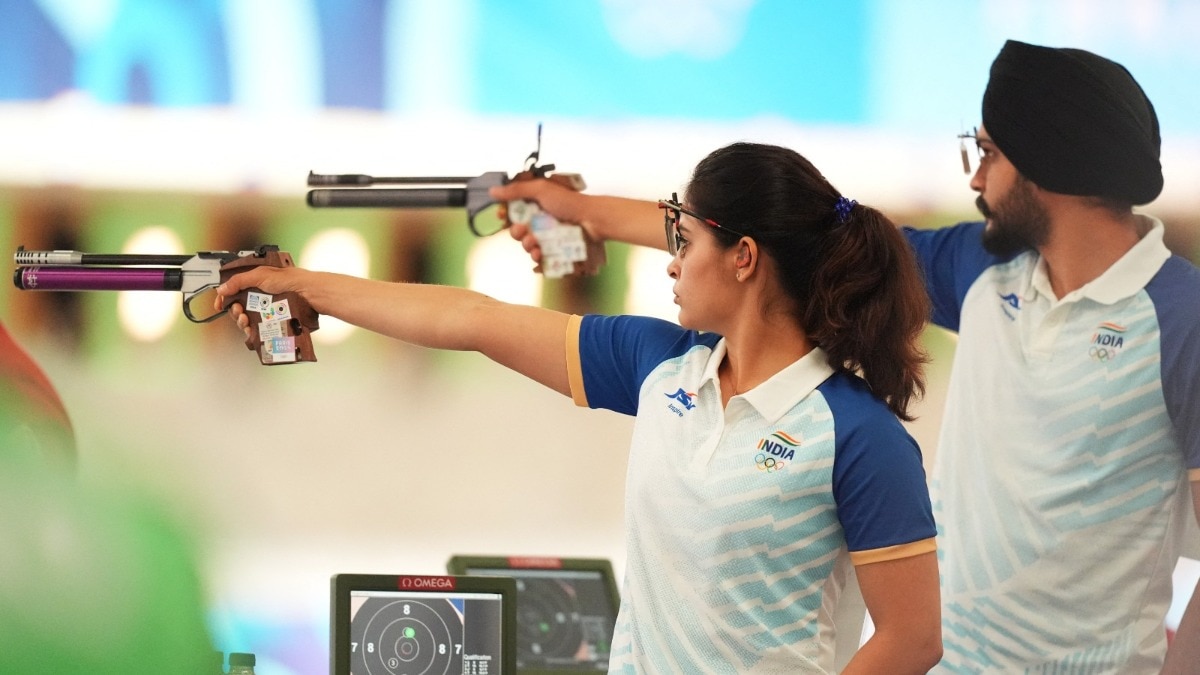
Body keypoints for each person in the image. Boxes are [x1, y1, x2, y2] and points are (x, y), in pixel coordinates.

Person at [491, 40, 1200, 674]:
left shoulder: (1184, 320)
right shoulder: (981, 268)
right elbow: (767, 236)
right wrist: (577, 210)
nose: (976, 179)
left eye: (989, 153)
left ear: (1052, 162)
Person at [219, 142, 943, 673]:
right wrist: (308, 285)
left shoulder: (859, 435)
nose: (670, 261)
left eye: (684, 242)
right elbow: (471, 318)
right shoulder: (659, 366)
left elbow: (912, 637)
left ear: (744, 257)